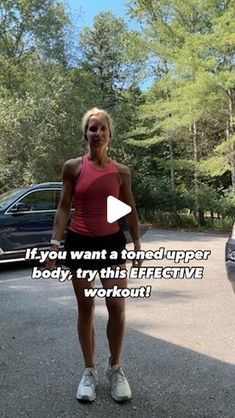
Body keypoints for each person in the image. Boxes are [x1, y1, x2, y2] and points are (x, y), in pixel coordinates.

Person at [47, 108, 141, 403]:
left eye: (101, 129)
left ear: (109, 134)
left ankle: (115, 368)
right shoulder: (73, 167)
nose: (96, 134)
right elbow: (64, 207)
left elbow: (130, 209)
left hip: (112, 245)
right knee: (86, 308)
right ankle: (89, 371)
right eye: (91, 128)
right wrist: (55, 243)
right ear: (85, 134)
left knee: (116, 306)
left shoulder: (121, 171)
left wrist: (137, 245)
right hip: (80, 244)